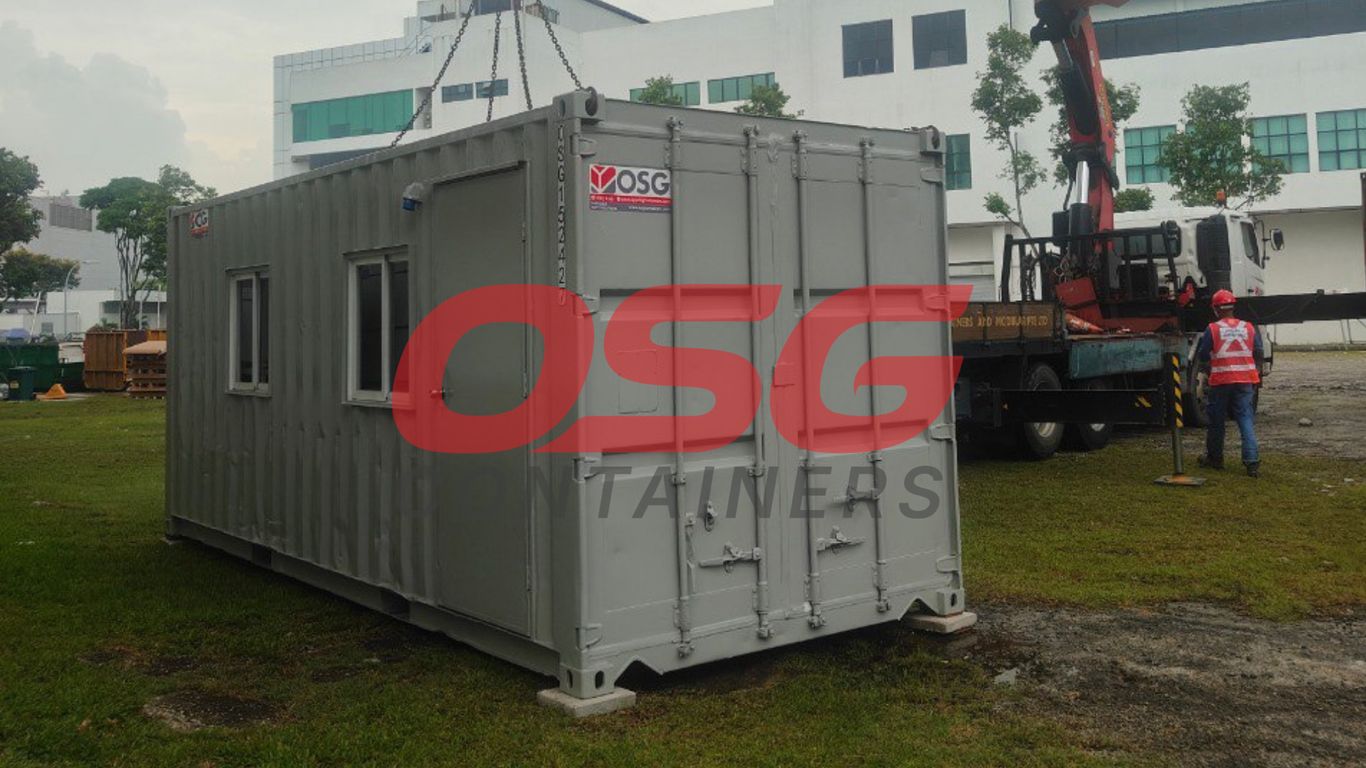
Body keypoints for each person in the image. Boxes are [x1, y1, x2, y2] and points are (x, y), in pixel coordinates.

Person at [1197, 289, 1264, 477]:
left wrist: (1209, 366)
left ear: (1215, 309)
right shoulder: (1248, 327)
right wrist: (1255, 370)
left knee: (1217, 420)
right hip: (1245, 380)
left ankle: (1215, 458)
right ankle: (1252, 463)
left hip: (1221, 380)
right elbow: (1258, 351)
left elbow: (1203, 354)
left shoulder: (1213, 329)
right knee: (1245, 418)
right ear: (1233, 307)